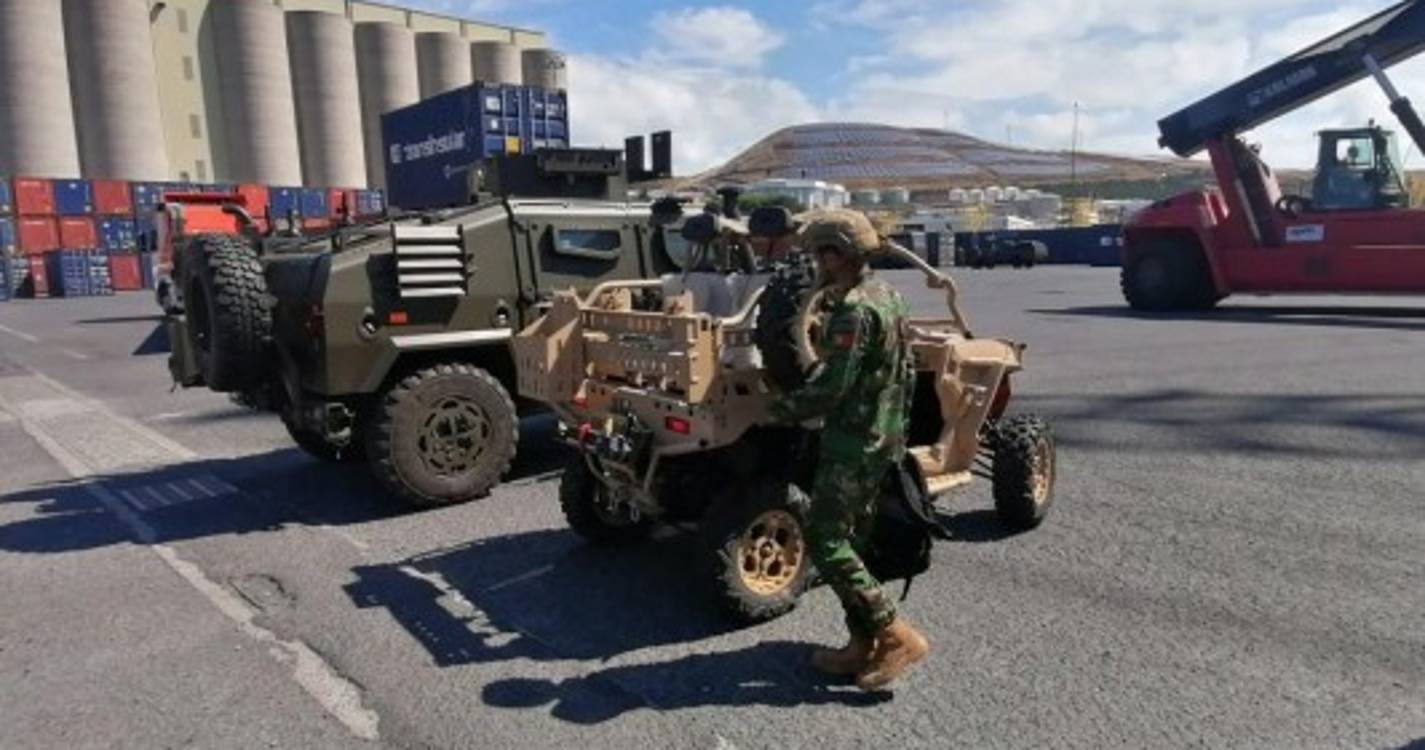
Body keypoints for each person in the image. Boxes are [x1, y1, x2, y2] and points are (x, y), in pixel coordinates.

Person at [768, 209, 929, 692]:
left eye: (821, 253)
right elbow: (900, 369)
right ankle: (861, 643)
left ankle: (895, 634)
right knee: (854, 542)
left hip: (854, 441)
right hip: (882, 436)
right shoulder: (888, 295)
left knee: (825, 539)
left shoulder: (854, 311)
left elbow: (831, 388)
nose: (817, 263)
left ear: (837, 254)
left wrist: (776, 409)